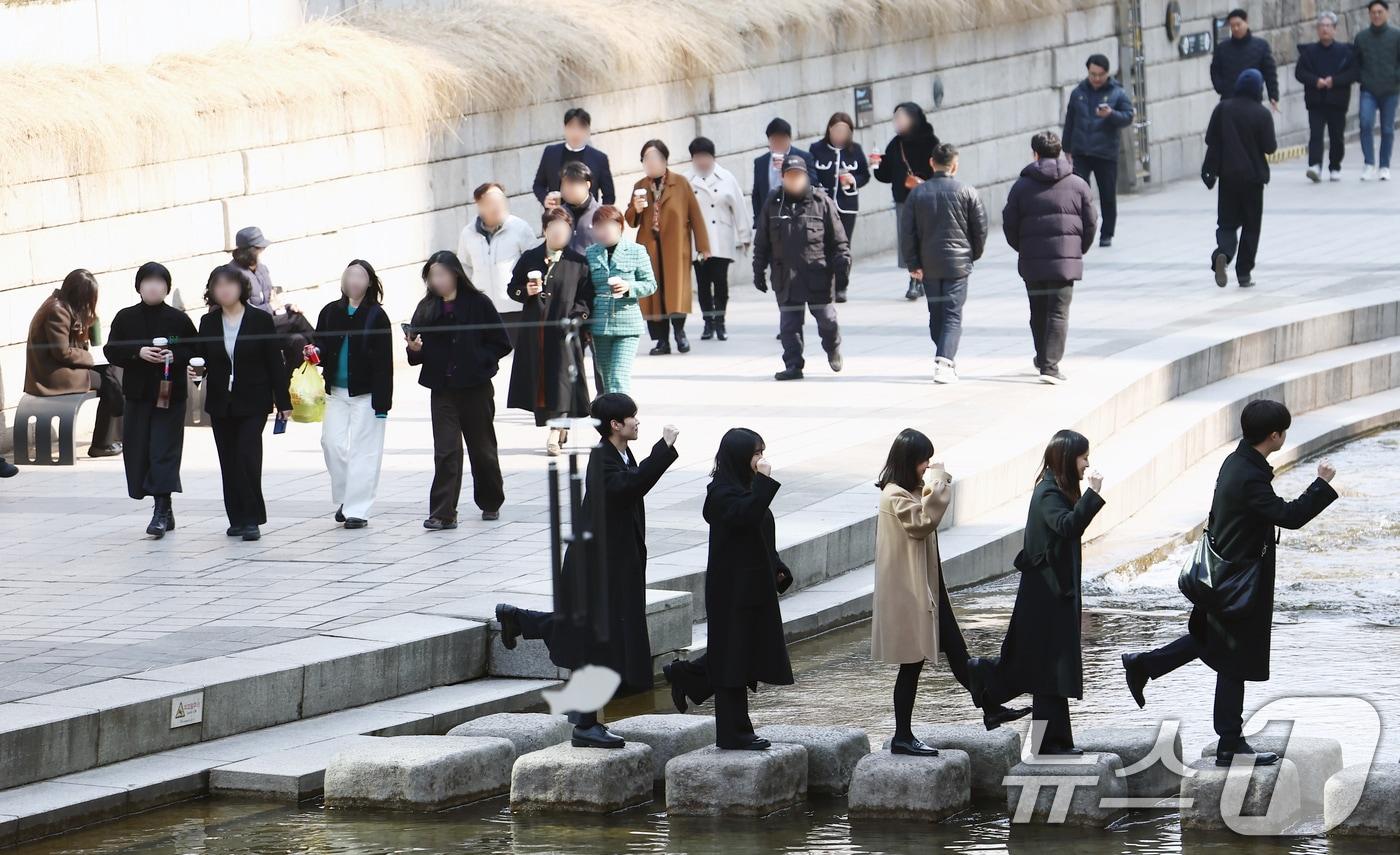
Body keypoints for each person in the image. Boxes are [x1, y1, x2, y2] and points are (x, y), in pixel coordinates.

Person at [1122, 400, 1338, 767]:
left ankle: (1143, 664)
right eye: (1284, 431)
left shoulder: (1237, 461)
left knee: (1211, 640)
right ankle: (1229, 744)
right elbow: (1289, 515)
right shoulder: (1250, 476)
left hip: (1224, 575)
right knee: (1233, 658)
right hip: (1237, 581)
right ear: (1275, 435)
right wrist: (1321, 484)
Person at [496, 394, 679, 748]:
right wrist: (664, 449)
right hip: (595, 566)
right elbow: (628, 487)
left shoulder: (620, 453)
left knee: (593, 633)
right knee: (594, 638)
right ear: (615, 424)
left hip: (612, 563)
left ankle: (520, 620)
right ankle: (584, 724)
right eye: (632, 418)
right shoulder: (602, 458)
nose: (637, 423)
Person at [969, 430, 1105, 755]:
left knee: (1047, 669)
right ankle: (987, 677)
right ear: (1067, 458)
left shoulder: (1053, 489)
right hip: (1046, 593)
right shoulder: (1048, 494)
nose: (1087, 464)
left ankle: (1049, 740)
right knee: (1047, 669)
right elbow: (1068, 526)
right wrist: (1093, 495)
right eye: (1083, 457)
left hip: (1053, 592)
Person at [664, 428, 794, 750]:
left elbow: (760, 533)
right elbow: (746, 517)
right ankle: (732, 733)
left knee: (741, 652)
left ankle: (687, 677)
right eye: (756, 454)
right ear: (739, 457)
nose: (762, 461)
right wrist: (764, 484)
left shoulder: (745, 488)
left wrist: (777, 566)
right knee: (732, 656)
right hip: (731, 590)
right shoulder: (721, 494)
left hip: (753, 586)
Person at [408, 250, 512, 529]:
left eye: (441, 274)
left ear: (455, 274)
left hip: (475, 387)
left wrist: (480, 361)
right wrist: (414, 349)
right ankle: (443, 513)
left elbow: (502, 342)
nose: (437, 281)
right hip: (441, 389)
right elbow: (415, 351)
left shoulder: (478, 303)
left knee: (482, 450)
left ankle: (491, 501)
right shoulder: (426, 307)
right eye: (431, 276)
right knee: (445, 451)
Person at [192, 265, 292, 542]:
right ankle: (236, 518)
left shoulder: (260, 320)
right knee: (228, 459)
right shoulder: (208, 322)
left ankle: (252, 519)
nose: (224, 289)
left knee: (247, 455)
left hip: (254, 400)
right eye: (218, 285)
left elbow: (274, 361)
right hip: (221, 402)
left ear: (241, 287)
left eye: (230, 284)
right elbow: (202, 358)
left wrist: (283, 400)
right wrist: (196, 373)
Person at [871, 429, 953, 757]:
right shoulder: (894, 495)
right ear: (909, 461)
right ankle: (902, 736)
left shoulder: (904, 490)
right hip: (905, 592)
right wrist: (939, 482)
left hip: (912, 589)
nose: (927, 466)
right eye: (924, 460)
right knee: (910, 664)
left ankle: (904, 734)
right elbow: (923, 522)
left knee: (915, 664)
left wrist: (931, 480)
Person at [104, 262, 198, 537]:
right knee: (140, 450)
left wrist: (175, 356)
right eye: (148, 282)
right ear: (139, 287)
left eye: (160, 282)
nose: (154, 287)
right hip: (137, 396)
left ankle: (161, 508)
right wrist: (138, 352)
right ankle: (164, 508)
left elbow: (195, 349)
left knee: (163, 449)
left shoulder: (178, 320)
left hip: (170, 396)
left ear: (167, 287)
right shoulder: (125, 317)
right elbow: (111, 349)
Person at [1001, 131, 1097, 384]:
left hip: (1032, 261)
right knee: (1058, 312)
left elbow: (1009, 223)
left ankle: (1043, 358)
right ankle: (1050, 366)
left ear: (1035, 154)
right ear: (1061, 152)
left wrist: (1022, 247)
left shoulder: (1021, 186)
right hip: (1065, 261)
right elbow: (1090, 223)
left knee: (1038, 311)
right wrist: (1077, 250)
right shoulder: (1078, 184)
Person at [754, 155, 850, 382]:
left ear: (806, 177)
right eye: (790, 176)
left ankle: (833, 347)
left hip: (817, 275)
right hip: (785, 276)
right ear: (783, 177)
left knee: (827, 322)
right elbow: (762, 242)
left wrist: (843, 270)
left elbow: (839, 242)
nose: (795, 180)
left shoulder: (821, 202)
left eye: (799, 176)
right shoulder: (773, 202)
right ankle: (793, 365)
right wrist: (758, 270)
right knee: (789, 326)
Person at [506, 207, 593, 455]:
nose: (559, 235)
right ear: (545, 230)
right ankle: (559, 425)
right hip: (536, 332)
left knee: (563, 381)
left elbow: (586, 299)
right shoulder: (530, 258)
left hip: (564, 332)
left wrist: (577, 319)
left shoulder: (578, 262)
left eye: (564, 231)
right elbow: (513, 289)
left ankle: (555, 433)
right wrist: (526, 291)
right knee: (543, 382)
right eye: (554, 230)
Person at [314, 259, 393, 529]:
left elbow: (384, 363)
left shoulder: (376, 315)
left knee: (364, 451)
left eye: (360, 276)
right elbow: (320, 343)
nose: (354, 281)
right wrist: (314, 353)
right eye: (349, 275)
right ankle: (348, 498)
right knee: (331, 443)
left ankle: (357, 509)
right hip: (335, 391)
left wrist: (383, 402)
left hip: (367, 394)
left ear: (370, 282)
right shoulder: (330, 312)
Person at [900, 143, 988, 385]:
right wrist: (973, 254)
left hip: (929, 264)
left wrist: (913, 262)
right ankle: (944, 360)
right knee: (951, 314)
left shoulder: (918, 193)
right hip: (958, 264)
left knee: (937, 313)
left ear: (931, 163)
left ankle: (944, 357)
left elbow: (907, 232)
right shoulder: (967, 191)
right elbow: (980, 229)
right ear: (955, 165)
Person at [24, 269, 124, 458]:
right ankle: (102, 444)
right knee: (110, 383)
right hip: (51, 375)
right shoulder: (57, 311)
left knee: (114, 373)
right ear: (79, 295)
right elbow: (62, 352)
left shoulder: (64, 306)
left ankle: (110, 438)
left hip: (61, 368)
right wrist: (90, 357)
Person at [625, 139, 710, 356]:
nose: (650, 163)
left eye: (654, 158)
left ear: (664, 160)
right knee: (652, 295)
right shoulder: (640, 187)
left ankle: (679, 334)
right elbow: (631, 221)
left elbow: (696, 216)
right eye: (646, 159)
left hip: (675, 246)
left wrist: (703, 246)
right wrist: (635, 208)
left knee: (675, 292)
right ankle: (661, 340)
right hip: (649, 248)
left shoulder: (680, 183)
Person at [1203, 69, 1277, 289]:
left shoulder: (1222, 108)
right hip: (1253, 180)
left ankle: (1223, 254)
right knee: (1251, 226)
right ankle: (1243, 273)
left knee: (1226, 223)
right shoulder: (1262, 114)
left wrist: (1209, 171)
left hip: (1227, 178)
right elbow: (1270, 147)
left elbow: (1211, 141)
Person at [1062, 54, 1134, 247]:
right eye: (1092, 74)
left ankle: (1107, 233)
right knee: (1079, 194)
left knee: (1107, 194)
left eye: (1100, 75)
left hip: (1105, 152)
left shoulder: (1117, 93)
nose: (1096, 78)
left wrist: (1111, 114)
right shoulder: (1078, 92)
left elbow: (1128, 116)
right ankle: (1081, 230)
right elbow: (1069, 121)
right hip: (1081, 152)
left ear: (1106, 73)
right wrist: (1066, 147)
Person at [685, 136, 751, 340]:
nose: (702, 162)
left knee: (720, 282)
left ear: (712, 157)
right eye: (697, 157)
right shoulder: (686, 180)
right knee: (703, 284)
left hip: (721, 237)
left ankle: (720, 322)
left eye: (705, 157)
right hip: (699, 241)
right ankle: (708, 322)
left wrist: (744, 234)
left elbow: (739, 207)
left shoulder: (726, 178)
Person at [585, 206, 656, 395]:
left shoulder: (637, 250)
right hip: (600, 326)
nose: (604, 230)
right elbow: (585, 289)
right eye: (599, 226)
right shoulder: (590, 253)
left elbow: (650, 284)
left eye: (609, 225)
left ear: (620, 226)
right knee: (606, 376)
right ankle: (613, 420)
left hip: (627, 324)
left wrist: (629, 288)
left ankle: (625, 418)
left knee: (618, 377)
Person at [873, 102, 939, 300]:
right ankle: (914, 279)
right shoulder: (896, 144)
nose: (897, 122)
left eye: (901, 118)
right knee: (908, 239)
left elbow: (939, 169)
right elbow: (886, 175)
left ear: (913, 118)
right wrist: (877, 165)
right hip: (904, 200)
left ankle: (924, 278)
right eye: (895, 118)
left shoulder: (930, 142)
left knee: (925, 238)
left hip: (928, 199)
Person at [230, 226, 314, 382]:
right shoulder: (233, 274)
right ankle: (322, 350)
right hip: (251, 329)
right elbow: (243, 311)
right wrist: (274, 309)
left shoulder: (262, 269)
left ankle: (288, 387)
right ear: (246, 250)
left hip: (270, 322)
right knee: (296, 320)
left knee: (297, 340)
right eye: (258, 248)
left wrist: (286, 308)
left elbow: (272, 300)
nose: (260, 252)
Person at [457, 183, 537, 341]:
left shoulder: (520, 228)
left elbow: (533, 263)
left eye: (502, 201)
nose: (499, 206)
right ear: (480, 206)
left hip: (515, 307)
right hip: (483, 310)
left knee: (521, 359)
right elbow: (464, 267)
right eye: (493, 202)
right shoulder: (468, 233)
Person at [809, 112, 871, 301]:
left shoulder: (855, 150)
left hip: (847, 206)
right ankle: (826, 284)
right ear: (829, 130)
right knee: (823, 245)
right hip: (823, 205)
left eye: (844, 131)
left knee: (843, 247)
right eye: (837, 130)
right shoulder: (817, 149)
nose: (840, 135)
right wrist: (817, 189)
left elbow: (865, 175)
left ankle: (842, 286)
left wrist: (854, 180)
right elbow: (811, 173)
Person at [1296, 12, 1359, 182]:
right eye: (1322, 26)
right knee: (1316, 134)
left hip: (1337, 100)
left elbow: (1353, 73)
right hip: (1316, 100)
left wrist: (1335, 81)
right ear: (1317, 29)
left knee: (1336, 135)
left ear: (1335, 29)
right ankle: (1315, 165)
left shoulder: (1345, 51)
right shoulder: (1309, 52)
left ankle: (1335, 166)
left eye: (1328, 26)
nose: (1325, 29)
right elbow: (1300, 73)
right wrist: (1315, 80)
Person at [532, 107, 616, 206]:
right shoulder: (551, 153)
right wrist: (545, 199)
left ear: (588, 131)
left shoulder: (599, 158)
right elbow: (538, 185)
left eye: (581, 128)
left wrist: (599, 216)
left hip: (587, 217)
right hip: (557, 215)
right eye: (571, 127)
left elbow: (609, 195)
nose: (576, 133)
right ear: (565, 128)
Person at [1355, 0, 1400, 181]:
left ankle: (1384, 165)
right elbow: (1356, 62)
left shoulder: (1396, 36)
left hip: (1390, 89)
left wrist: (1396, 76)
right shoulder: (1362, 37)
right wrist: (1361, 77)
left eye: (1380, 12)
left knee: (1387, 129)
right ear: (1369, 14)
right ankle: (1368, 163)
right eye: (1373, 12)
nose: (1377, 15)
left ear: (1387, 13)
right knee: (1365, 123)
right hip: (1368, 89)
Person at [1210, 9, 1280, 110]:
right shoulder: (1222, 49)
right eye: (1232, 26)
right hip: (1228, 101)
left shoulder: (1261, 46)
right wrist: (1221, 88)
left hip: (1253, 101)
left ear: (1246, 22)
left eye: (1238, 24)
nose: (1236, 28)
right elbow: (1215, 70)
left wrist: (1273, 95)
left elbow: (1270, 72)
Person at [751, 117, 817, 223]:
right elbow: (757, 194)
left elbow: (813, 183)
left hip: (797, 215)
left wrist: (788, 167)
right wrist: (758, 220)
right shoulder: (760, 162)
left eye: (781, 140)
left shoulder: (804, 157)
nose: (777, 144)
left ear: (789, 139)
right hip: (770, 218)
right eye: (774, 140)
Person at [553, 161, 603, 255]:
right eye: (564, 184)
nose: (567, 189)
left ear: (587, 185)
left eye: (571, 184)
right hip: (565, 268)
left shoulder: (601, 214)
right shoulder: (558, 215)